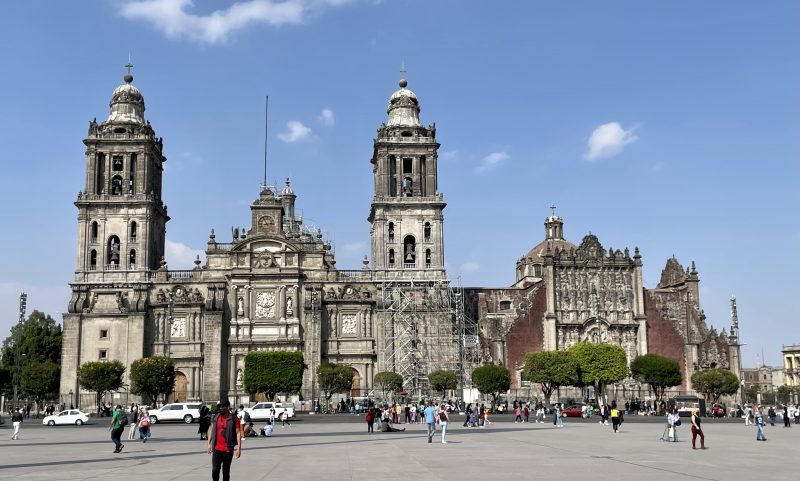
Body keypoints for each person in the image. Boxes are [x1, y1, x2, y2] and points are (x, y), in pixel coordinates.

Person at [207, 400, 242, 481]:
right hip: (216, 449)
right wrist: (208, 444)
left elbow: (238, 433)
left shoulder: (234, 418)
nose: (221, 408)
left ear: (228, 407)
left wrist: (238, 448)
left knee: (226, 471)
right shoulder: (216, 417)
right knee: (215, 470)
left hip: (228, 450)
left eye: (223, 406)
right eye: (219, 407)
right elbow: (211, 429)